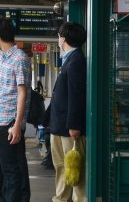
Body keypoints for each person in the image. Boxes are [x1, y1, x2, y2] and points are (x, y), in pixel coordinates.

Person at [0, 17, 31, 202]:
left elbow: (22, 93)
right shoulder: (1, 60)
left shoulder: (19, 58)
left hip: (8, 125)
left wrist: (17, 124)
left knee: (12, 172)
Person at [50, 22, 87, 202]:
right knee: (61, 166)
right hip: (59, 125)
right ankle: (60, 199)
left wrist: (74, 125)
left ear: (64, 38)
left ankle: (78, 199)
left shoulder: (77, 60)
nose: (58, 39)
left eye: (59, 36)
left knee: (75, 167)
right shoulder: (69, 59)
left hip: (68, 127)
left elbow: (76, 94)